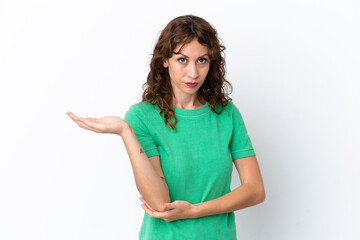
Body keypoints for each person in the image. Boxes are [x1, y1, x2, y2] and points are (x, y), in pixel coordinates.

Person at [67, 15, 265, 240]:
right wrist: (125, 132)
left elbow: (255, 190)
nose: (193, 73)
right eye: (182, 60)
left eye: (202, 60)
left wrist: (193, 211)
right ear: (164, 60)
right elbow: (160, 202)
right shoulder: (142, 117)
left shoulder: (227, 114)